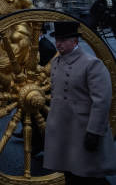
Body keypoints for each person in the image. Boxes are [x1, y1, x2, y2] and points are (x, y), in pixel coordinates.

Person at [43, 21, 116, 184]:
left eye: (62, 39)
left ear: (74, 41)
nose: (58, 43)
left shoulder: (92, 64)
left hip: (82, 128)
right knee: (70, 174)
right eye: (57, 39)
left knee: (90, 176)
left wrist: (94, 131)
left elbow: (102, 101)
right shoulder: (55, 63)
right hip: (62, 127)